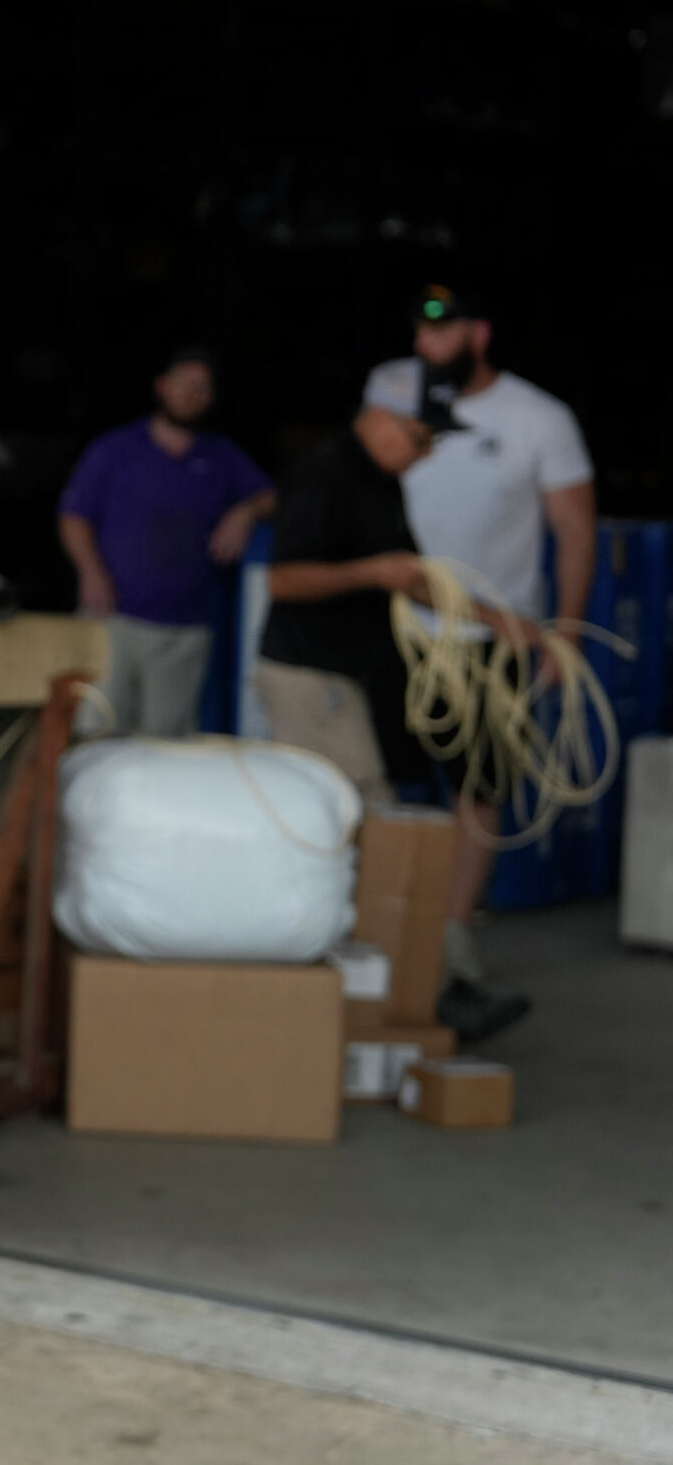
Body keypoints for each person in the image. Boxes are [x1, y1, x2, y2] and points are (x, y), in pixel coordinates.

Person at [255, 373, 534, 1040]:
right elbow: (284, 577)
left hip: (353, 677)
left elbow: (411, 578)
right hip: (311, 678)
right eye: (422, 436)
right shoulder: (323, 477)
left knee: (365, 827)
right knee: (371, 828)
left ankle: (386, 990)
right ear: (382, 419)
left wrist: (501, 620)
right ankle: (403, 997)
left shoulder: (383, 481)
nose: (429, 451)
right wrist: (366, 574)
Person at [365, 287, 591, 1027]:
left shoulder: (539, 417)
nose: (429, 345)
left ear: (479, 333)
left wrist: (568, 628)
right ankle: (373, 933)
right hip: (394, 625)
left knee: (479, 785)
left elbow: (574, 526)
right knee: (380, 776)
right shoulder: (390, 387)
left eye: (446, 329)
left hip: (495, 638)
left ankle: (454, 941)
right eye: (421, 330)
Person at [58, 348, 275, 736]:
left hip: (185, 626)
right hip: (111, 617)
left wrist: (245, 512)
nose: (191, 394)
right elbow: (74, 516)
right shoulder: (116, 448)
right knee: (95, 730)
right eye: (183, 384)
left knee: (165, 741)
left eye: (202, 388)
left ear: (211, 398)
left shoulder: (221, 456)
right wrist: (90, 572)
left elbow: (272, 497)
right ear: (161, 386)